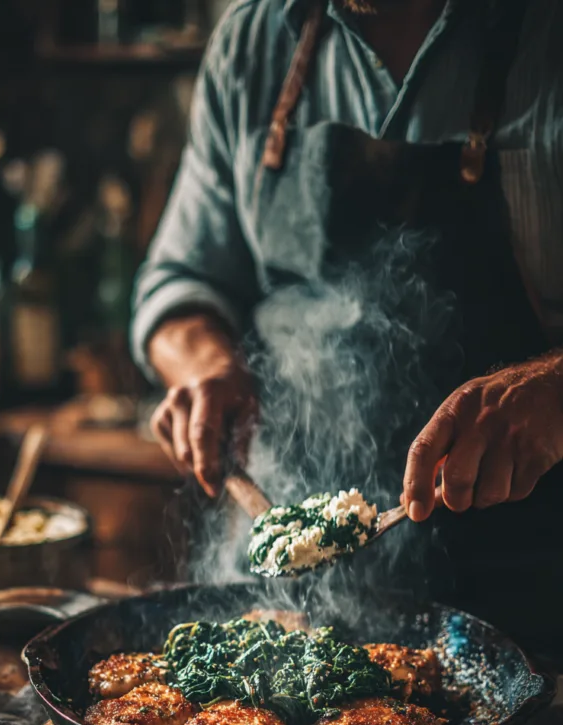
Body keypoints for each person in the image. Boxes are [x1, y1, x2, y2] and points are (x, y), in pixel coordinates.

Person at [131, 0, 563, 653]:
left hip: (534, 603)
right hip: (287, 596)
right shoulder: (255, 41)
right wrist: (203, 365)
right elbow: (181, 280)